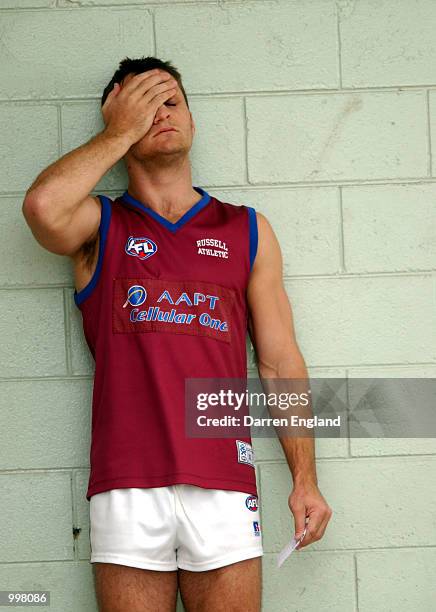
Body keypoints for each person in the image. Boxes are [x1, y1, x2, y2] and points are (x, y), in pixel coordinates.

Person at [22, 56, 332, 612]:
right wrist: (119, 132)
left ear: (192, 120)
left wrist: (304, 480)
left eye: (171, 102)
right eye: (143, 106)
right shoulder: (101, 225)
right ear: (119, 126)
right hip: (126, 482)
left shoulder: (246, 229)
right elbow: (43, 208)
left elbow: (280, 363)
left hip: (223, 479)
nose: (161, 114)